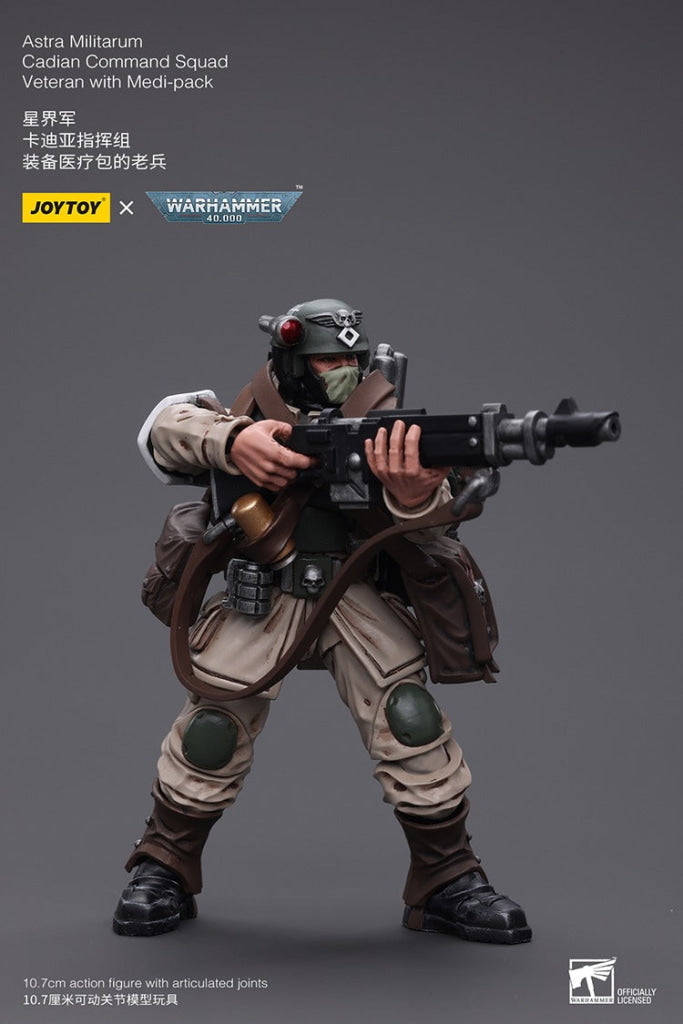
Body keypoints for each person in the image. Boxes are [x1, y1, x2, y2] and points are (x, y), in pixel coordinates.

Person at [113, 298, 531, 943]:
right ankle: (165, 863)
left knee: (411, 721)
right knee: (211, 731)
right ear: (289, 361)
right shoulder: (247, 416)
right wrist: (234, 442)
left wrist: (416, 493)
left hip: (351, 593)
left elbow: (434, 523)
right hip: (263, 595)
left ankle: (446, 877)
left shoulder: (384, 429)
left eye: (351, 361)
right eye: (326, 361)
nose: (342, 373)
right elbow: (162, 428)